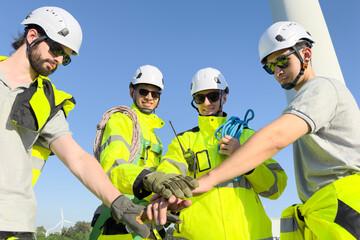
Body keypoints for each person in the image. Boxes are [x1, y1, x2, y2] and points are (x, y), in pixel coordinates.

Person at [0, 7, 195, 240]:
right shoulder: (120, 119)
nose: (59, 60)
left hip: (15, 222)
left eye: (66, 56)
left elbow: (78, 159)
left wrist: (119, 203)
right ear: (32, 36)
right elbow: (113, 165)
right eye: (56, 49)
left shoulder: (50, 101)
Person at [192, 22, 360, 239]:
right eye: (270, 67)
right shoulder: (305, 99)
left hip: (343, 208)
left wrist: (208, 179)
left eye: (282, 61)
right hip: (326, 211)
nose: (278, 72)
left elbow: (275, 138)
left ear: (306, 54)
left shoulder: (322, 88)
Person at [154, 67, 287, 239]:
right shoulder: (183, 141)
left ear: (224, 97)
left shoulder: (248, 136)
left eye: (213, 96)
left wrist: (243, 158)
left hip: (251, 234)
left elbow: (276, 188)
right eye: (200, 98)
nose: (207, 103)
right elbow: (166, 174)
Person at [89, 65, 197, 240]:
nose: (149, 97)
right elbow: (112, 167)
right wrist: (147, 179)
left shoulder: (156, 138)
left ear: (159, 99)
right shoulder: (121, 120)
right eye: (143, 91)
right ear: (132, 92)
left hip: (149, 224)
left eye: (155, 94)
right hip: (120, 223)